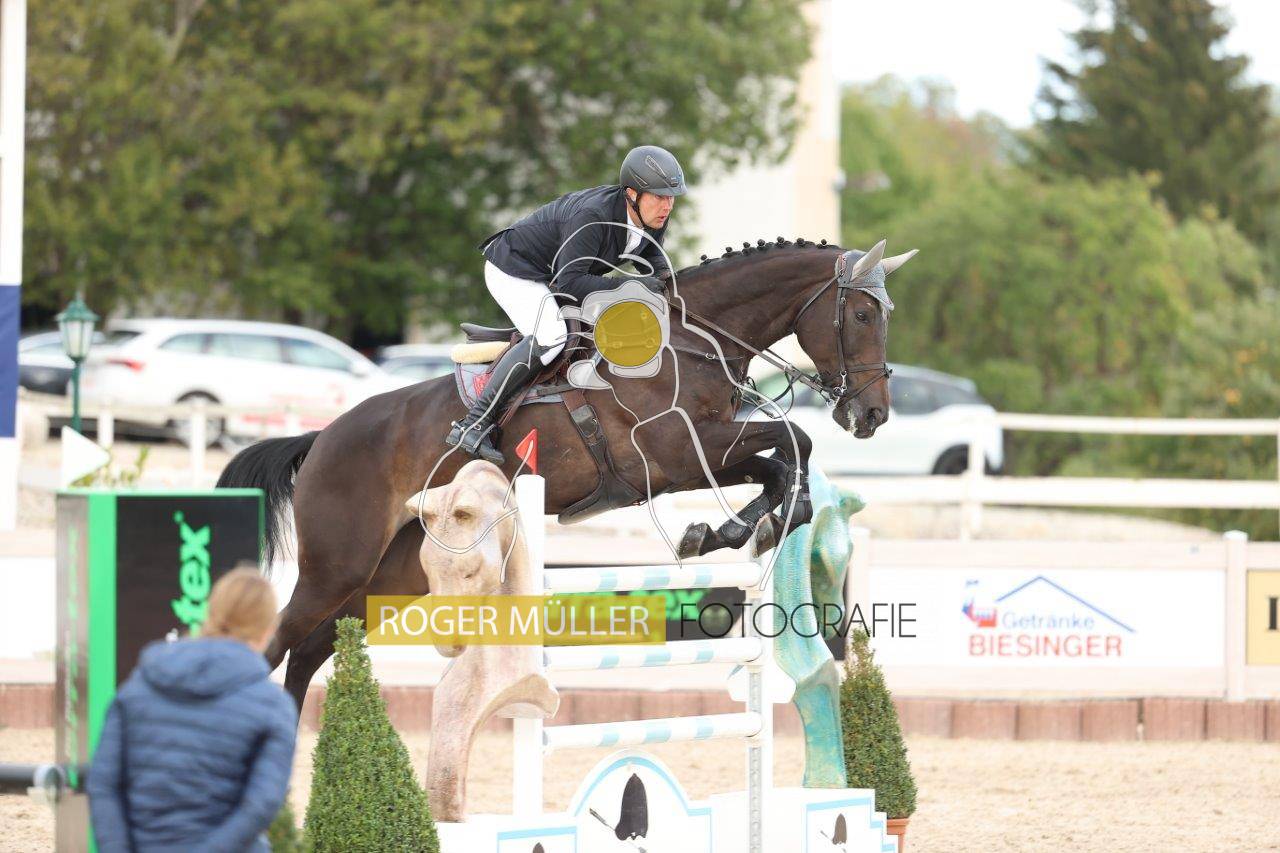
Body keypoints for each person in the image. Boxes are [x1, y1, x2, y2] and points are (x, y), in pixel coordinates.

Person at [446, 144, 687, 464]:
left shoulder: (652, 216)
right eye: (659, 196)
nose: (667, 205)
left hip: (551, 275)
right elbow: (570, 283)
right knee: (553, 336)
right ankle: (474, 423)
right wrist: (633, 287)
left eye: (671, 197)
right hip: (513, 270)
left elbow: (655, 261)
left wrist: (672, 288)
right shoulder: (593, 217)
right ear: (632, 194)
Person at [87, 569, 296, 853]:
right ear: (268, 630)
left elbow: (103, 784)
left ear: (211, 613)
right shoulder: (273, 705)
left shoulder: (139, 684)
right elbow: (262, 804)